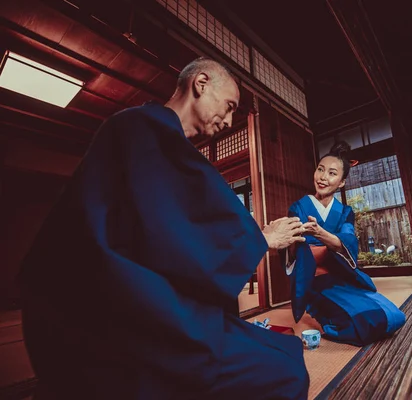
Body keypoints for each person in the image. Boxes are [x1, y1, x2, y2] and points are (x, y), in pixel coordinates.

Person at [19, 58, 309, 399]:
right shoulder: (141, 128)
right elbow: (168, 230)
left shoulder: (153, 135)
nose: (230, 121)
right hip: (114, 316)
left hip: (139, 302)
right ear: (201, 83)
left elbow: (171, 232)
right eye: (229, 106)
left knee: (280, 350)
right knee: (284, 369)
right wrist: (259, 238)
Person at [283, 142, 406, 346]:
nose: (323, 177)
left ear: (341, 182)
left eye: (332, 173)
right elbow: (294, 250)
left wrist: (320, 234)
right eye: (320, 170)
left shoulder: (345, 212)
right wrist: (288, 239)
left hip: (342, 277)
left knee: (394, 316)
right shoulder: (298, 207)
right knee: (364, 323)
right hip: (314, 281)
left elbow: (346, 243)